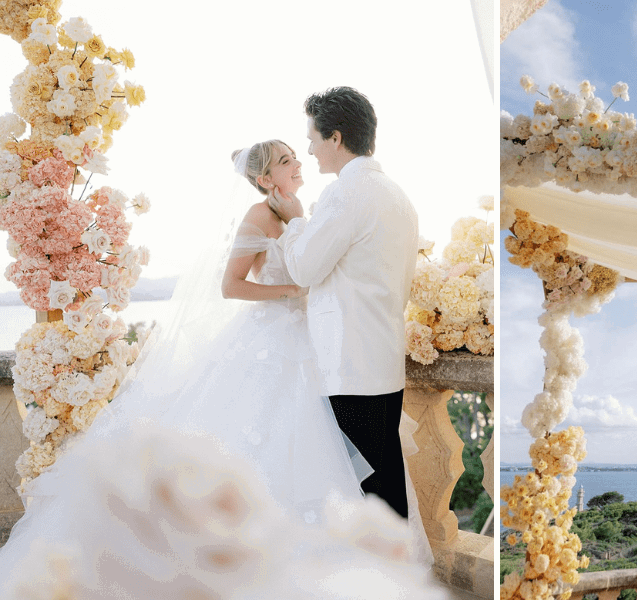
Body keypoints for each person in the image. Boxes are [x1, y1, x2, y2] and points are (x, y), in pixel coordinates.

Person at [0, 140, 435, 597]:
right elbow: (231, 285)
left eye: (296, 156)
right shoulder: (257, 216)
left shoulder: (304, 209)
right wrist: (292, 293)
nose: (299, 162)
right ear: (266, 178)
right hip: (272, 340)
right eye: (287, 160)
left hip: (315, 345)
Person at [273, 87, 419, 521]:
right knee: (384, 483)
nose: (309, 150)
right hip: (383, 360)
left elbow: (303, 269)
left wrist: (296, 219)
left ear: (336, 138)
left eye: (313, 138)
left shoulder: (345, 193)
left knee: (363, 495)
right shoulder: (397, 195)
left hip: (349, 364)